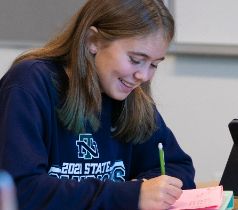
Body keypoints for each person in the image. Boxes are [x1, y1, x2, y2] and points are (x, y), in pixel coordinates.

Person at [0, 0, 196, 209]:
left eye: (154, 64)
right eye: (135, 59)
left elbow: (178, 167)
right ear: (92, 40)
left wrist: (149, 190)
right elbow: (21, 190)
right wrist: (129, 195)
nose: (144, 76)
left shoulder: (132, 98)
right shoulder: (28, 83)